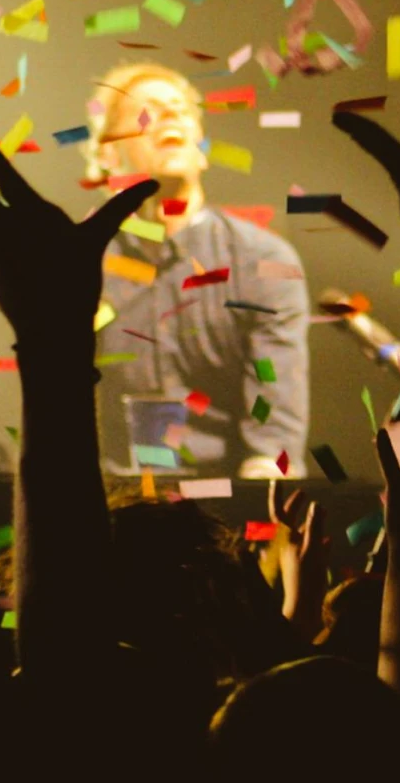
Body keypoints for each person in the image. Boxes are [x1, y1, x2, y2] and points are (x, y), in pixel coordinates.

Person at [83, 61, 310, 478]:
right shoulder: (83, 264)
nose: (171, 114)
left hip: (227, 508)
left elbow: (275, 430)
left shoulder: (264, 261)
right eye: (148, 110)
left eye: (182, 109)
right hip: (112, 507)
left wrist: (256, 511)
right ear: (108, 152)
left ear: (200, 144)